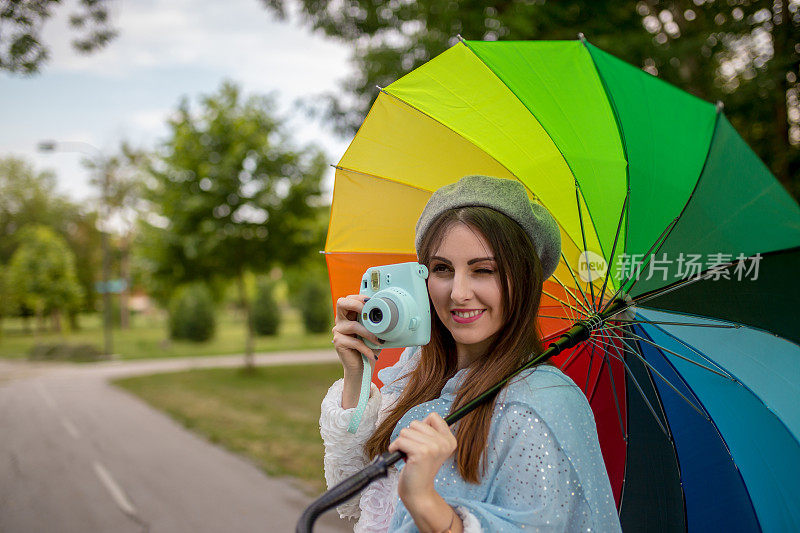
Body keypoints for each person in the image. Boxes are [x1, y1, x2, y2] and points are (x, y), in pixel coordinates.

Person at [321, 175, 621, 532]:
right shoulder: (415, 372)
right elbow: (354, 499)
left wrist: (426, 504)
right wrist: (357, 373)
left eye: (483, 270)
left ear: (523, 280)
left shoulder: (540, 407)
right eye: (442, 269)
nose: (458, 293)